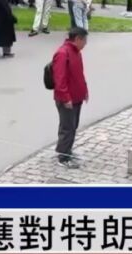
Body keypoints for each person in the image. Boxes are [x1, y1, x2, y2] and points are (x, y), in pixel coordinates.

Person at [52, 27, 89, 169]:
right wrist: (65, 97)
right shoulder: (63, 53)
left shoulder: (76, 52)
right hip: (67, 99)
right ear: (78, 39)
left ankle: (67, 150)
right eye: (84, 40)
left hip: (76, 97)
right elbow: (59, 78)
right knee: (67, 127)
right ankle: (63, 157)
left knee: (73, 126)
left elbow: (79, 74)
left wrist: (85, 90)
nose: (85, 43)